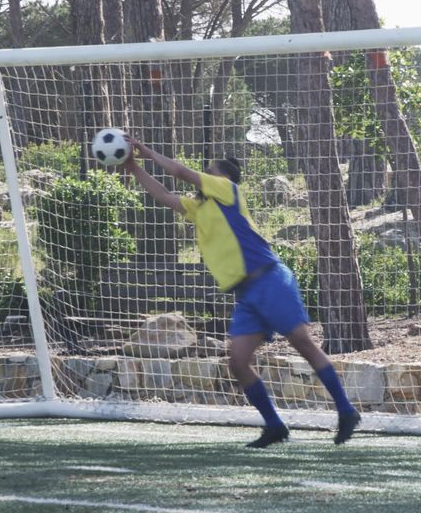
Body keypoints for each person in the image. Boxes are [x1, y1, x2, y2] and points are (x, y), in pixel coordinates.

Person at [121, 136, 361, 448]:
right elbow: (165, 195)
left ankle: (346, 410)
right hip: (246, 293)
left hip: (270, 279)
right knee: (237, 361)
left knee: (302, 343)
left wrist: (148, 151)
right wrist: (134, 167)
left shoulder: (228, 191)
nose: (205, 175)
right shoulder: (199, 207)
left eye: (211, 172)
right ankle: (275, 426)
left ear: (224, 179)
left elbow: (180, 173)